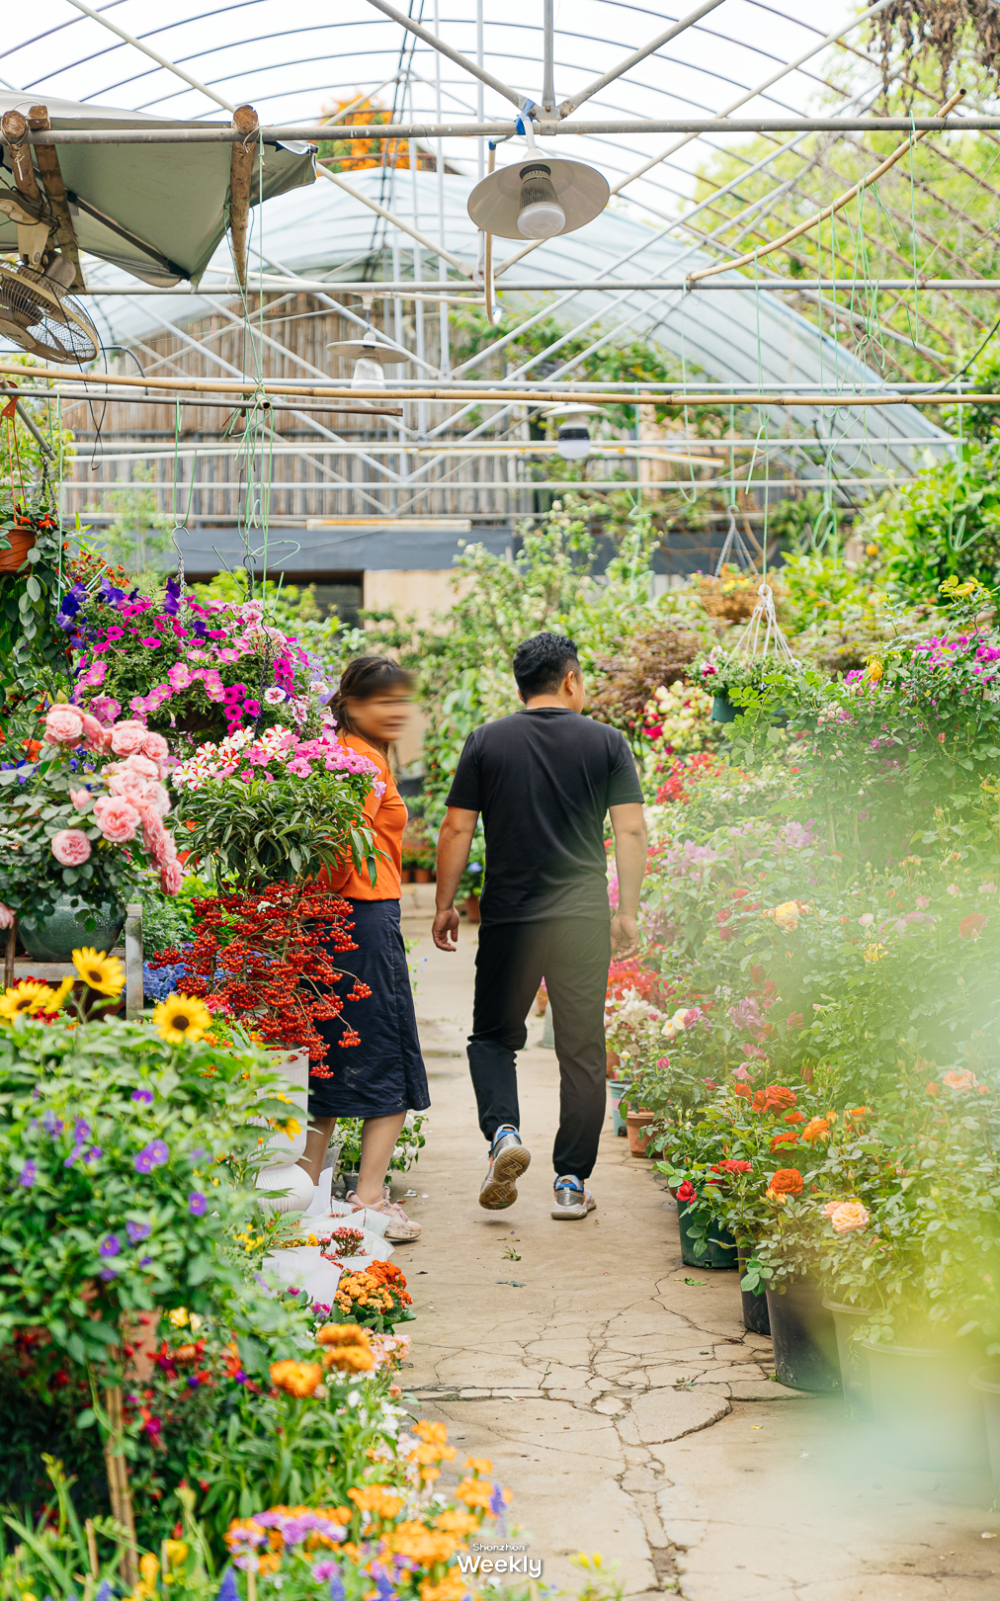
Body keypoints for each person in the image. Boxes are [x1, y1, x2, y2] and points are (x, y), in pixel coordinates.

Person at [432, 631, 647, 1221]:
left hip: (510, 917)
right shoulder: (607, 743)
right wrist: (626, 911)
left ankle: (503, 1133)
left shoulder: (487, 741)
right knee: (581, 1048)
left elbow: (456, 829)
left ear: (521, 685)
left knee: (494, 1038)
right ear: (571, 680)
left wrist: (446, 903)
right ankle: (571, 1182)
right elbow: (628, 830)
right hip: (581, 917)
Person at [297, 655, 429, 1243]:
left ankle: (305, 1187)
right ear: (351, 704)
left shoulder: (342, 752)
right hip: (363, 916)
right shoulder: (363, 760)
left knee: (327, 1047)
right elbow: (340, 849)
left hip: (338, 917)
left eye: (401, 699)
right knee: (385, 1052)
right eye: (383, 700)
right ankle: (368, 1198)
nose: (395, 711)